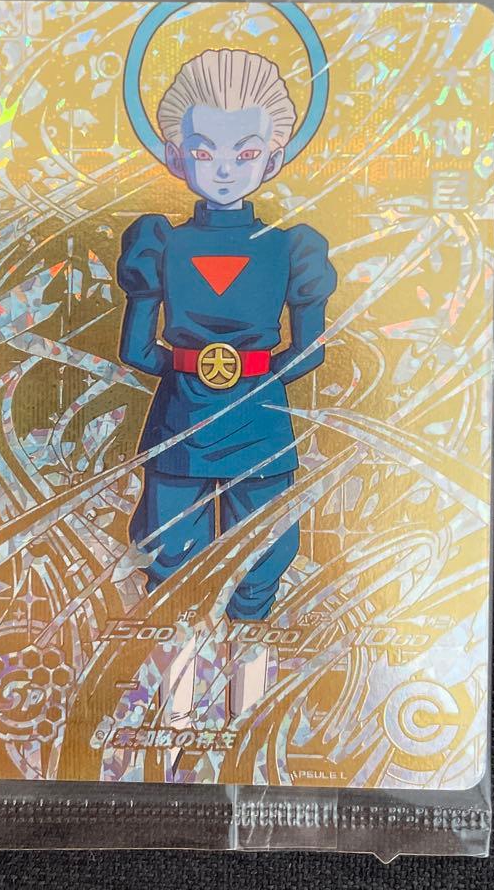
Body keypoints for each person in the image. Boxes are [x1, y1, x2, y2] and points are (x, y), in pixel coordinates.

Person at [117, 47, 337, 626]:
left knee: (204, 554)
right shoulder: (163, 242)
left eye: (244, 153)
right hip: (243, 418)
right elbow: (307, 351)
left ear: (273, 157)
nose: (222, 169)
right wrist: (254, 375)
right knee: (234, 555)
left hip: (194, 419)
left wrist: (192, 372)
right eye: (202, 151)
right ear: (176, 156)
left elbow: (139, 350)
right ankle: (200, 670)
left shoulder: (289, 248)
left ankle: (230, 671)